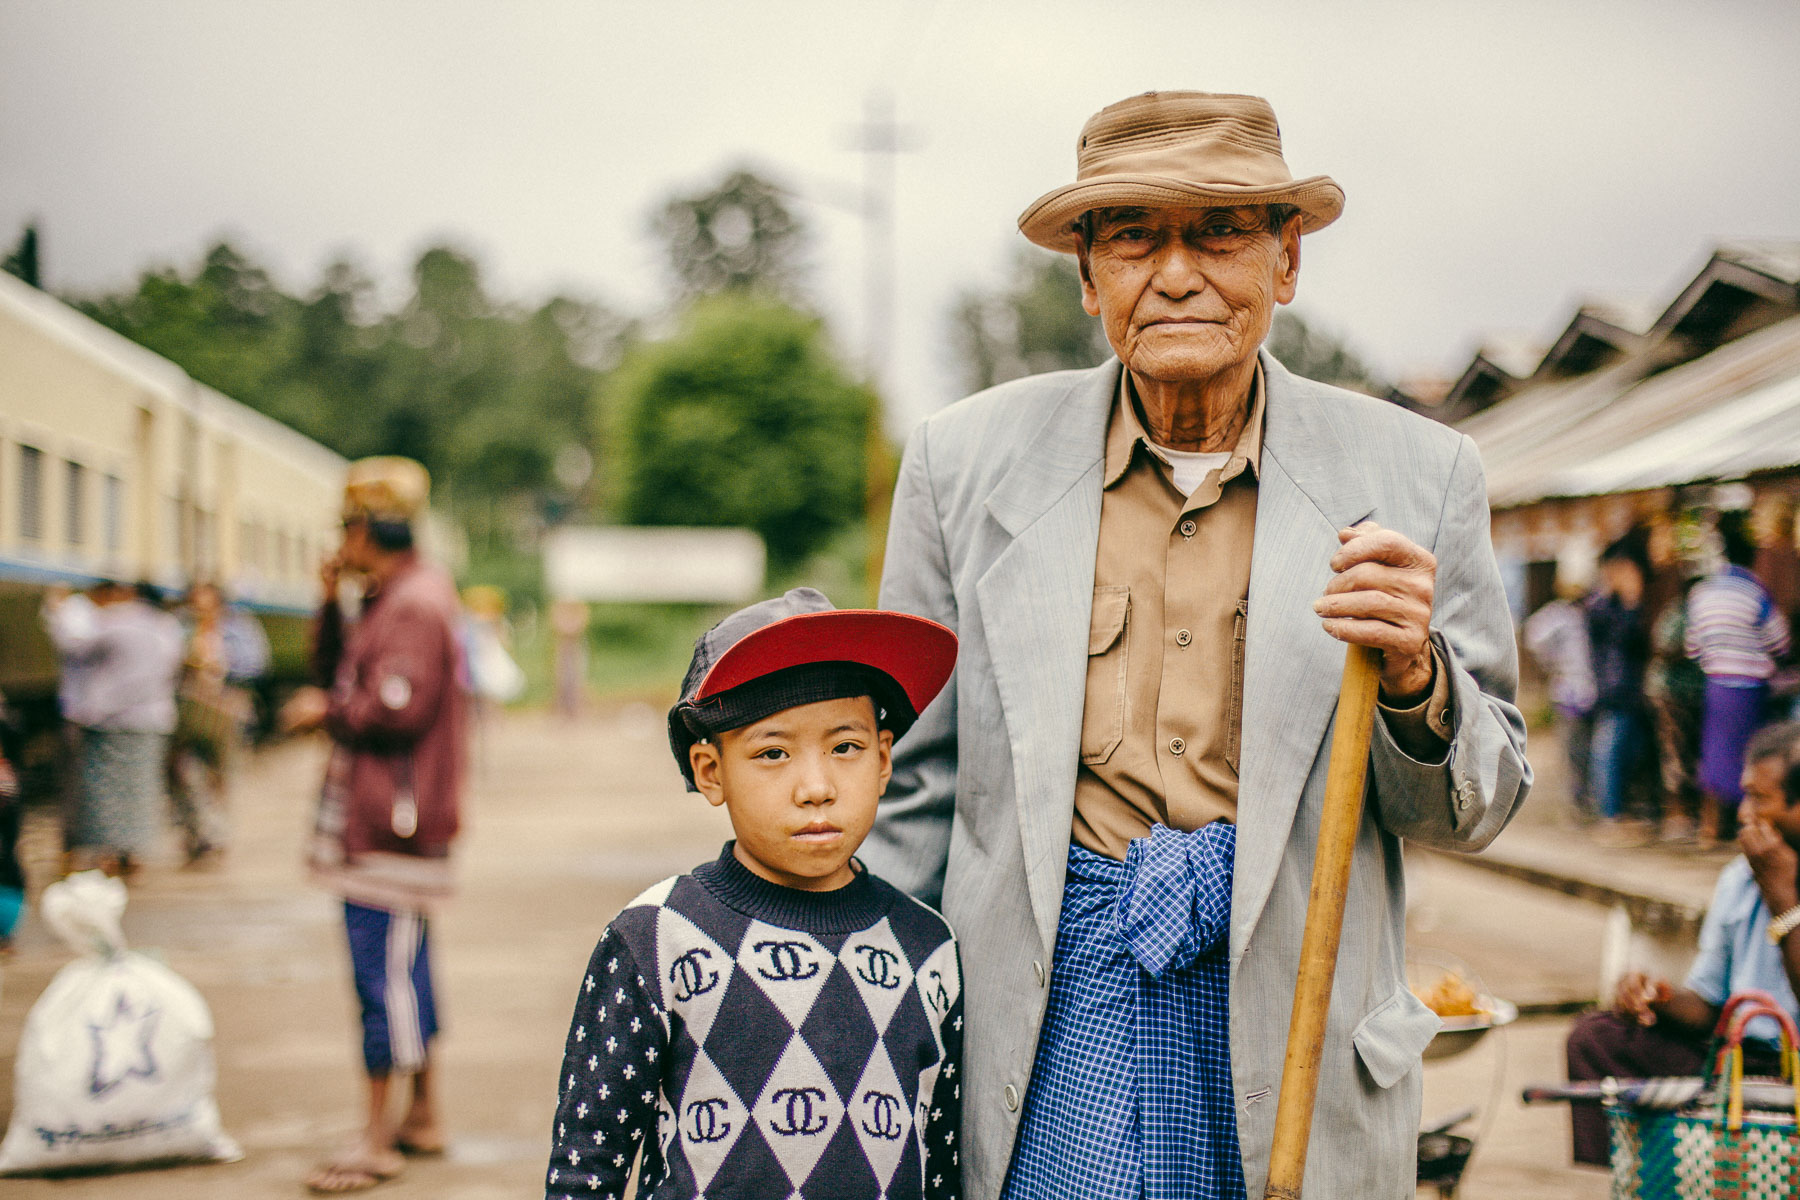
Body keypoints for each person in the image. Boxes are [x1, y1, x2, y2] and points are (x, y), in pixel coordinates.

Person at [863, 91, 1530, 1199]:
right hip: (1045, 1009)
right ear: (1087, 276)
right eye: (1133, 234)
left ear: (1286, 261)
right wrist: (855, 1012)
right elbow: (912, 795)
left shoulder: (1420, 477)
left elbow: (1481, 804)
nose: (1176, 272)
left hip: (1290, 1011)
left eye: (1219, 231)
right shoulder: (962, 469)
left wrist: (1418, 676)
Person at [545, 588, 964, 1200]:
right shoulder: (656, 938)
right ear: (711, 771)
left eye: (845, 748)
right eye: (773, 753)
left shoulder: (929, 949)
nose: (817, 786)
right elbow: (588, 1165)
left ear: (882, 760)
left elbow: (944, 1166)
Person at [282, 457, 468, 1194]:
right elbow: (338, 666)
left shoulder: (414, 604)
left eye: (344, 531)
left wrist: (321, 713)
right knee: (406, 966)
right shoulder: (393, 596)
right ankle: (422, 1115)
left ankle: (376, 1137)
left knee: (381, 975)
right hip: (391, 820)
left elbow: (394, 708)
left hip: (391, 824)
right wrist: (330, 599)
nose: (338, 544)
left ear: (365, 528)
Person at [1564, 721, 1800, 1166]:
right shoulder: (1739, 877)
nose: (1744, 814)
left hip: (1794, 1066)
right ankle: (1633, 1184)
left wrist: (1783, 898)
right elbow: (1710, 1006)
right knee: (1594, 1040)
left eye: (1761, 799)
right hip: (1737, 1060)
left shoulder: (1771, 879)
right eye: (1745, 794)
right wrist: (1659, 996)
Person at [42, 580, 183, 878]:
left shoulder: (118, 622)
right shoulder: (167, 627)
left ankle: (108, 852)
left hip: (111, 720)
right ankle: (132, 852)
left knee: (104, 790)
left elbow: (73, 643)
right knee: (141, 789)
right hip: (153, 719)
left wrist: (56, 610)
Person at [1689, 510, 1790, 845]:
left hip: (1716, 684)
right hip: (1751, 688)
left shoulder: (1702, 593)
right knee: (1752, 756)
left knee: (1715, 754)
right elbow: (1780, 642)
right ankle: (1747, 828)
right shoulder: (1755, 593)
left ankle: (1708, 829)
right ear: (1752, 557)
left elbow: (1692, 647)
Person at [168, 581, 246, 866]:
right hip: (188, 713)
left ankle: (216, 834)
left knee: (220, 777)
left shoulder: (237, 631)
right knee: (185, 773)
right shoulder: (178, 629)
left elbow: (253, 664)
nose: (199, 612)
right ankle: (198, 834)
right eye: (195, 606)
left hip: (224, 714)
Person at [1585, 537, 1654, 842]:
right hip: (1615, 690)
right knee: (1608, 752)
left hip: (1631, 691)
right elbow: (1623, 639)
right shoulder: (1604, 605)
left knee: (1631, 751)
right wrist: (1629, 601)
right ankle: (1609, 815)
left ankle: (1620, 810)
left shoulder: (1617, 604)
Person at [1523, 579, 1598, 820]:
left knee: (1591, 751)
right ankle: (1575, 804)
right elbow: (1534, 637)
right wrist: (1551, 662)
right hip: (1568, 692)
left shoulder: (1592, 612)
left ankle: (1590, 800)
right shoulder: (1558, 614)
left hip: (1593, 692)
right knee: (1573, 751)